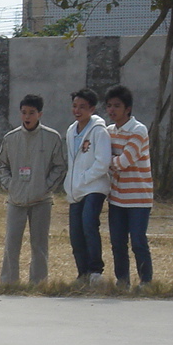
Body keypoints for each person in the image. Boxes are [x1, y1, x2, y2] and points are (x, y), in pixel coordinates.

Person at [0, 94, 67, 285]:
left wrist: (45, 187)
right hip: (16, 200)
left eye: (32, 113)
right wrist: (11, 186)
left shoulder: (51, 138)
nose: (27, 117)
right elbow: (2, 166)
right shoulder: (10, 138)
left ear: (40, 114)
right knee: (11, 244)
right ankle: (9, 283)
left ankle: (39, 283)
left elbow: (59, 166)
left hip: (41, 201)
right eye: (24, 112)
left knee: (39, 245)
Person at [105, 84, 154, 286]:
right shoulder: (108, 131)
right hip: (116, 197)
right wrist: (111, 161)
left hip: (138, 198)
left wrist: (107, 161)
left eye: (117, 106)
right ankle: (122, 281)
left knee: (138, 242)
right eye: (109, 105)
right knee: (117, 243)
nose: (112, 110)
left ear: (128, 108)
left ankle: (146, 282)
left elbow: (124, 162)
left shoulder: (138, 130)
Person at [65, 87, 112, 283]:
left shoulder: (98, 131)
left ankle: (95, 271)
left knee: (89, 225)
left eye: (82, 107)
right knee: (75, 232)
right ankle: (82, 272)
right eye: (75, 106)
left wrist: (84, 177)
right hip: (75, 189)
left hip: (94, 187)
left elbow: (103, 162)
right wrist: (72, 182)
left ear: (92, 109)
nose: (77, 111)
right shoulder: (71, 130)